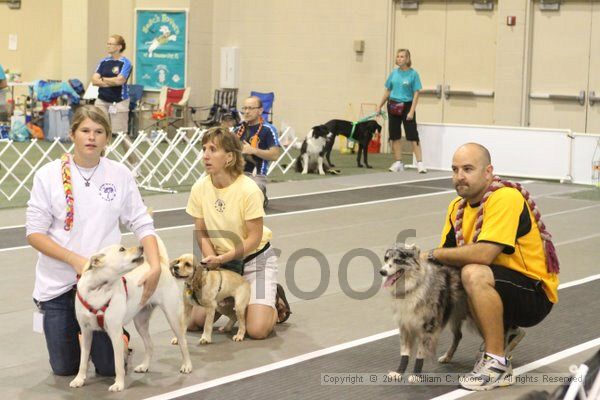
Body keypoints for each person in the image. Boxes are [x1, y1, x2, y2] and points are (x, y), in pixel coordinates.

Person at [26, 105, 161, 376]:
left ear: (107, 138)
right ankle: (80, 331)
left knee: (110, 369)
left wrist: (155, 265)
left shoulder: (120, 174)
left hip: (106, 286)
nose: (92, 137)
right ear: (72, 134)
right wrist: (74, 259)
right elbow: (34, 233)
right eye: (85, 130)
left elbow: (141, 221)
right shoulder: (47, 175)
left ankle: (117, 337)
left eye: (99, 132)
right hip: (59, 286)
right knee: (65, 368)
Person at [423, 143, 559, 391]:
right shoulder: (456, 208)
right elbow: (447, 261)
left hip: (533, 293)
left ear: (488, 172)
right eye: (454, 170)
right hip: (502, 283)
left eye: (467, 169)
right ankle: (505, 333)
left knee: (472, 272)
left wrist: (430, 254)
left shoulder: (505, 197)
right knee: (449, 278)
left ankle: (496, 364)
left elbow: (485, 254)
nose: (459, 176)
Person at [185, 126, 291, 339]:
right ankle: (236, 302)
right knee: (194, 323)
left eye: (213, 149)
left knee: (257, 330)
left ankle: (274, 300)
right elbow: (201, 230)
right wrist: (210, 260)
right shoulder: (199, 187)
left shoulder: (249, 189)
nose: (205, 155)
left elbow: (254, 238)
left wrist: (224, 257)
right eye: (204, 148)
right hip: (221, 264)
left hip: (253, 260)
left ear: (230, 157)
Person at [377, 48, 426, 173]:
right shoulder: (394, 73)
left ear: (408, 59)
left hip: (407, 106)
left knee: (412, 135)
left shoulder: (413, 74)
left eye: (402, 56)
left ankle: (420, 163)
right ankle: (398, 162)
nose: (399, 59)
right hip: (393, 105)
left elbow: (416, 93)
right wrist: (380, 105)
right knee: (394, 135)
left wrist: (411, 111)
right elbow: (388, 90)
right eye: (398, 56)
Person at [233, 96, 281, 207]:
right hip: (236, 173)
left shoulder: (268, 129)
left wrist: (253, 150)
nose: (246, 111)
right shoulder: (238, 130)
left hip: (256, 175)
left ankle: (260, 195)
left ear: (260, 110)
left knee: (250, 203)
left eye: (250, 108)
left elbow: (275, 155)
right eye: (244, 108)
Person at [91, 34, 132, 134]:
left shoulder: (125, 63)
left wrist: (103, 79)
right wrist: (111, 81)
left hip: (119, 102)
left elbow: (120, 81)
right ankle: (103, 150)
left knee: (120, 134)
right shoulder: (103, 61)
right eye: (107, 43)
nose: (108, 46)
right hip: (102, 101)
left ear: (119, 47)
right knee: (100, 131)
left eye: (111, 44)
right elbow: (94, 80)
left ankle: (129, 150)